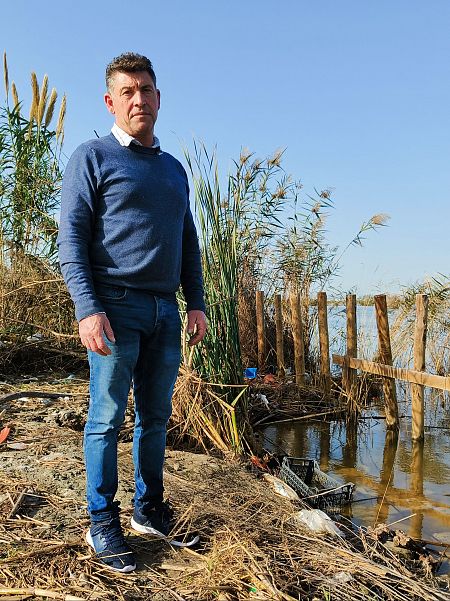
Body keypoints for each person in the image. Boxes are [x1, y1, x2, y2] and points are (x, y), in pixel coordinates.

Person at [57, 52, 207, 573]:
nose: (138, 99)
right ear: (110, 101)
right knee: (105, 417)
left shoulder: (173, 169)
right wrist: (87, 308)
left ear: (159, 99)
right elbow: (71, 238)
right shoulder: (92, 157)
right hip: (115, 308)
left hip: (167, 310)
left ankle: (149, 507)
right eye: (127, 91)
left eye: (146, 89)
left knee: (155, 418)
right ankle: (102, 519)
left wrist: (198, 302)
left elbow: (187, 239)